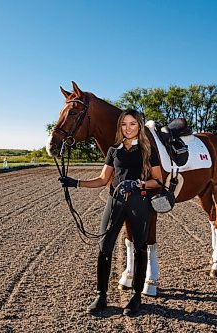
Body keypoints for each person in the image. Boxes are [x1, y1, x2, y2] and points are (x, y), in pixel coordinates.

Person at [59, 109, 162, 316]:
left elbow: (157, 181)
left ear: (139, 126)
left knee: (139, 247)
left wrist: (138, 183)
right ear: (120, 127)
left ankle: (136, 296)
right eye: (124, 124)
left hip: (139, 202)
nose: (128, 128)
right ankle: (101, 295)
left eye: (132, 124)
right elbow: (103, 179)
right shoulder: (113, 151)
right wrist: (75, 183)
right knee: (104, 247)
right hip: (114, 202)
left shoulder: (149, 150)